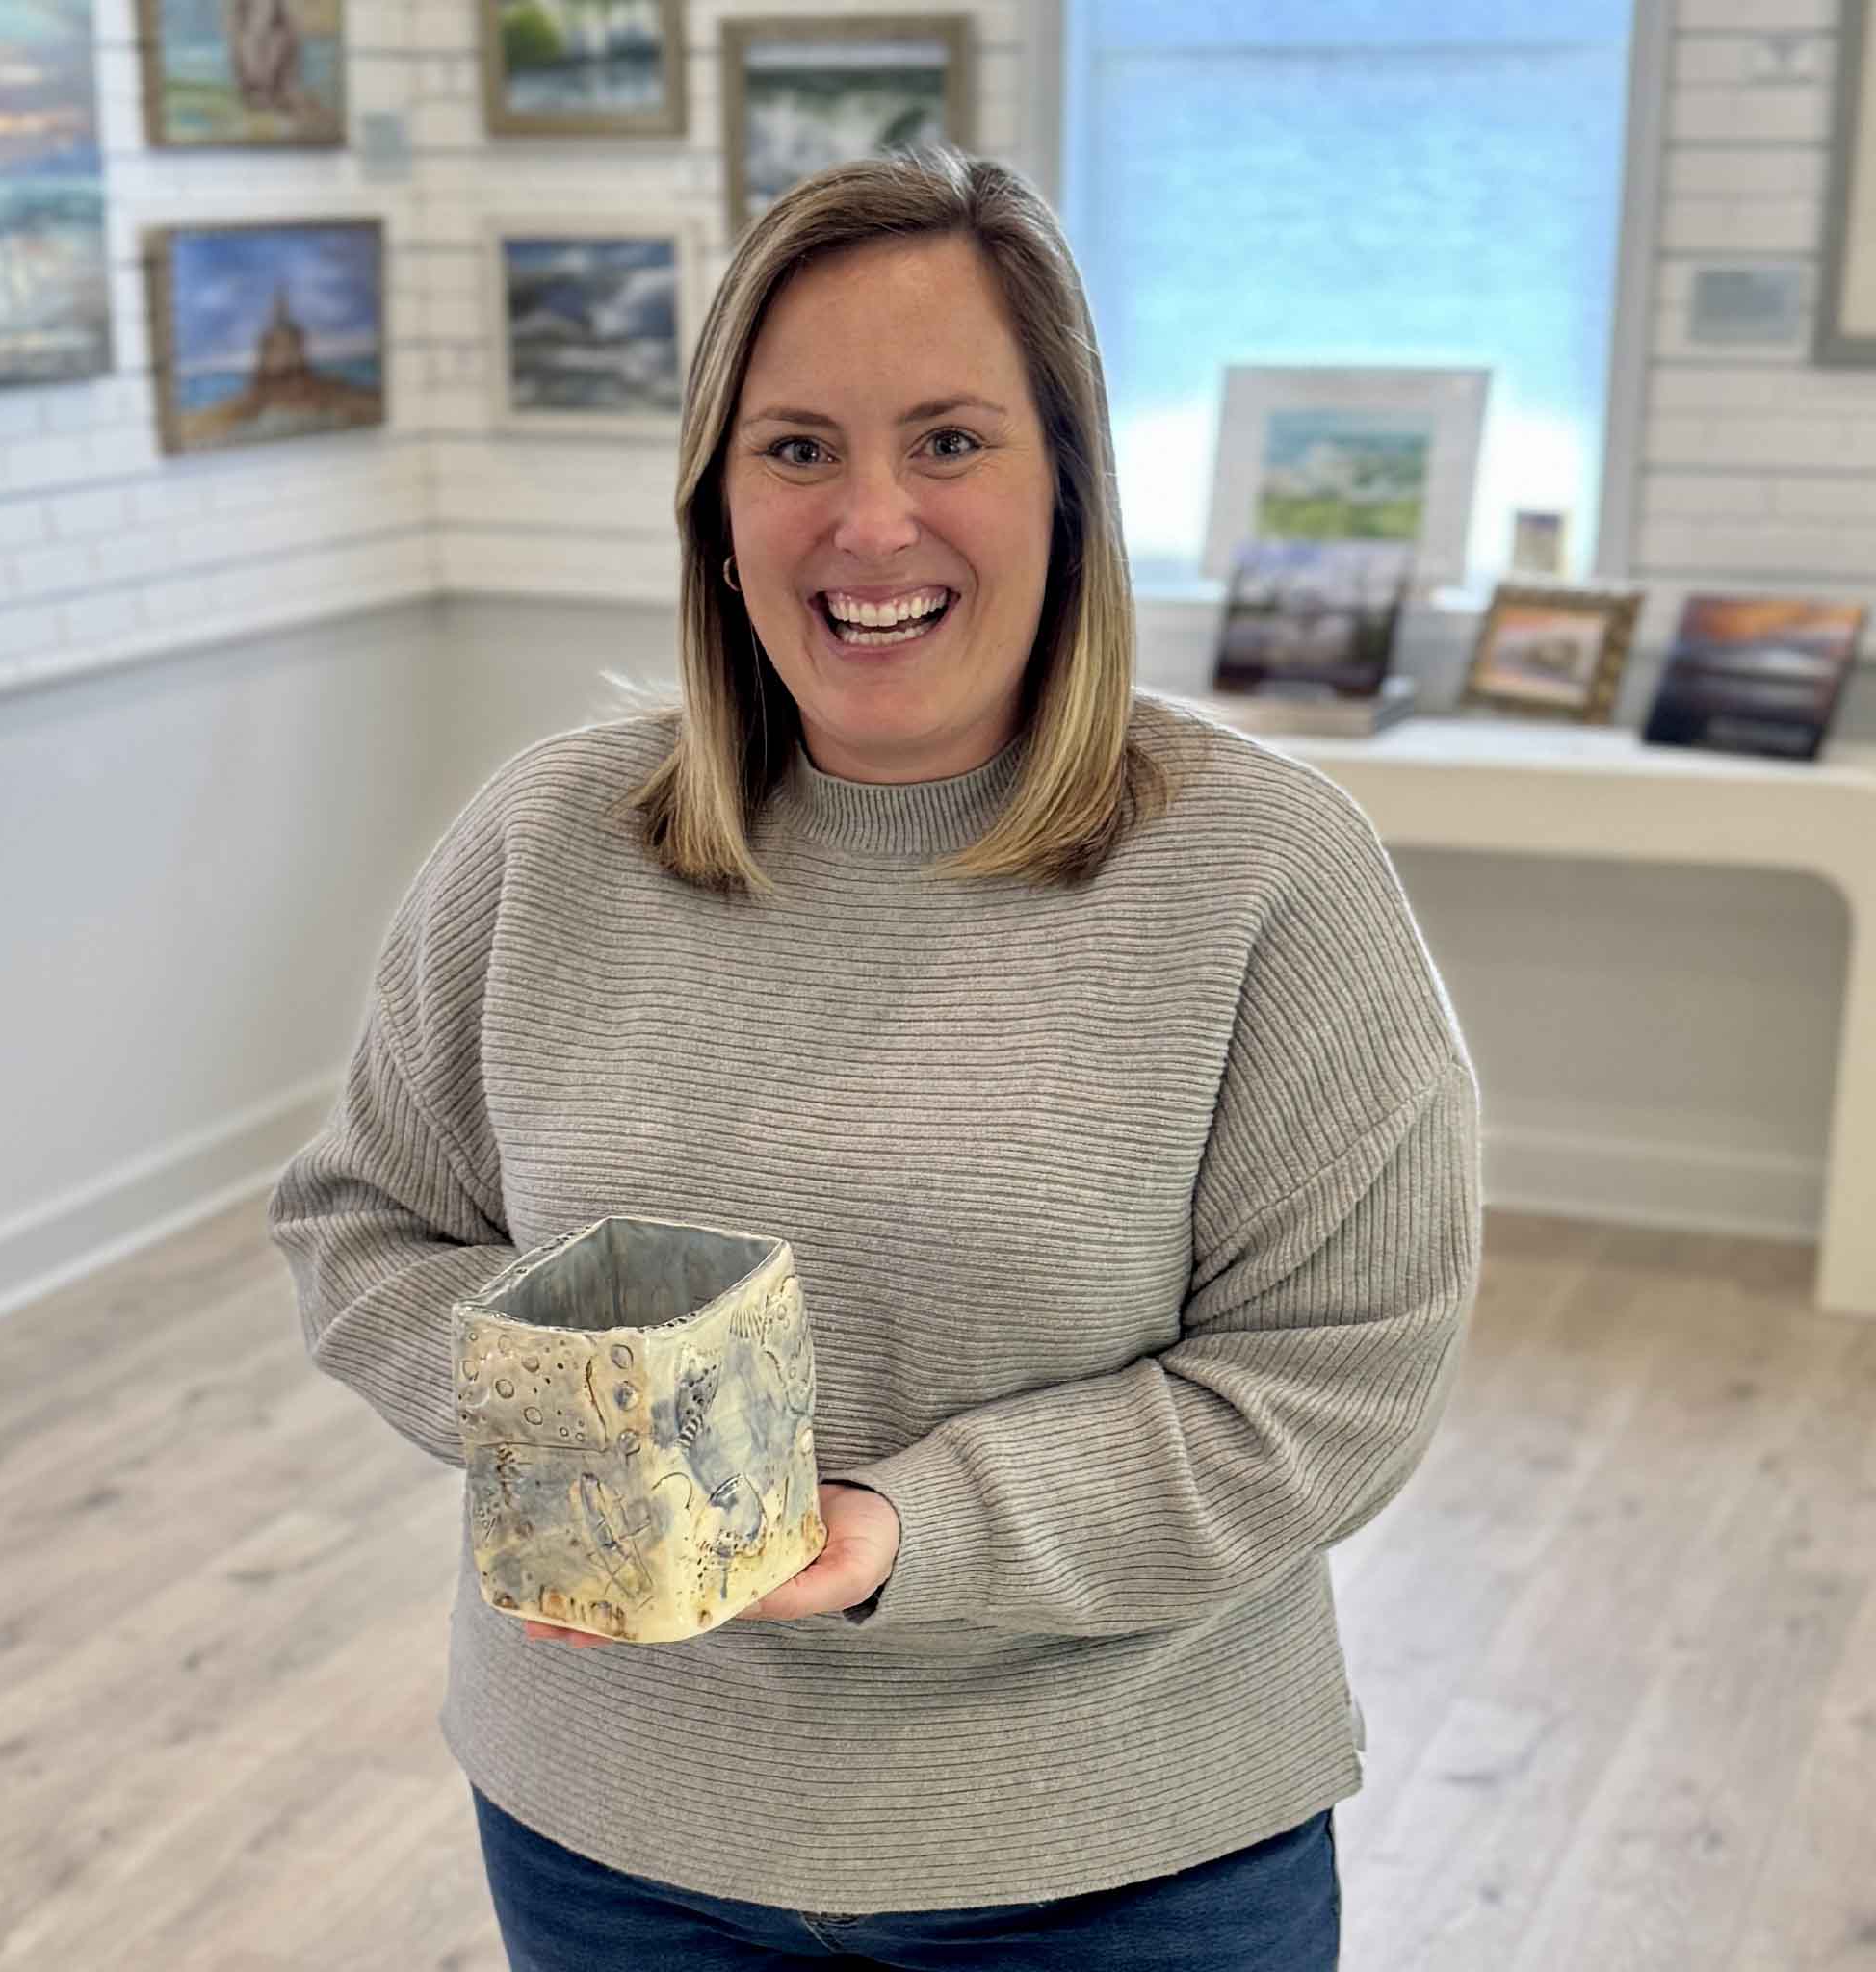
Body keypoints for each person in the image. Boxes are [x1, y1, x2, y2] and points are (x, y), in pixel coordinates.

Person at [267, 145, 1482, 1971]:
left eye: (950, 441)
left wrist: (896, 1531)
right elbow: (363, 1223)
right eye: (799, 448)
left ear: (1067, 484)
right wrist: (586, 1443)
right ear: (716, 503)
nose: (872, 524)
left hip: (1121, 1855)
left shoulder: (1263, 872)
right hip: (613, 1839)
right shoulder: (549, 841)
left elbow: (1332, 1384)